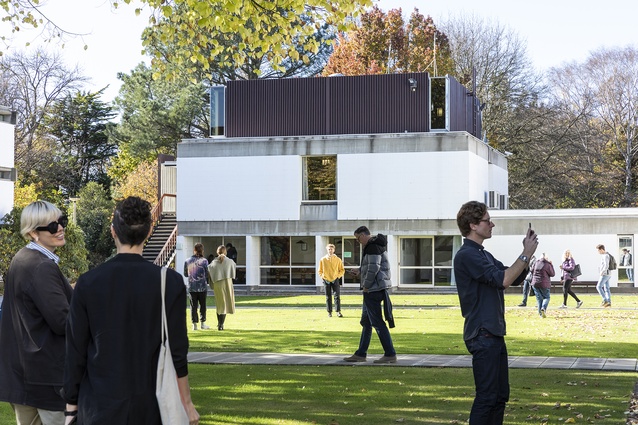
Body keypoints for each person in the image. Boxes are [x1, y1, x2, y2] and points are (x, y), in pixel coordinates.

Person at [62, 196, 199, 425]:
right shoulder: (170, 282)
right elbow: (178, 350)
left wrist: (70, 409)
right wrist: (187, 403)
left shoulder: (88, 283)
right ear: (148, 233)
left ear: (113, 231)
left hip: (98, 406)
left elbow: (75, 353)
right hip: (150, 406)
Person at [453, 201, 537, 425]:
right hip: (483, 333)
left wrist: (527, 258)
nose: (492, 224)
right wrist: (525, 254)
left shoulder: (483, 254)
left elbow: (513, 276)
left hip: (493, 333)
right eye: (487, 221)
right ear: (472, 225)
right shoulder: (467, 255)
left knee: (500, 397)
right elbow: (503, 280)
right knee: (487, 397)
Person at [0, 201, 73, 425]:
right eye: (51, 226)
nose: (60, 228)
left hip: (24, 375)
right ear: (33, 232)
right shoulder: (41, 266)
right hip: (46, 377)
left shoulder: (21, 259)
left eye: (62, 221)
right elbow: (63, 321)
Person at [343, 226, 397, 364]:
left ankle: (390, 353)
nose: (357, 241)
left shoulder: (372, 246)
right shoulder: (374, 245)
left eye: (357, 238)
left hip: (373, 290)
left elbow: (374, 268)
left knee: (377, 323)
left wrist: (366, 286)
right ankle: (361, 354)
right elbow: (372, 266)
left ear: (363, 235)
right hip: (376, 288)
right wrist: (360, 270)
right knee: (366, 322)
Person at [208, 245, 236, 330]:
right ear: (225, 252)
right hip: (227, 283)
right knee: (225, 304)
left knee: (220, 304)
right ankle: (221, 324)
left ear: (217, 252)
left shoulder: (213, 262)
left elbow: (209, 269)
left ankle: (219, 324)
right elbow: (233, 267)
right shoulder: (230, 261)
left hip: (218, 284)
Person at [184, 243, 211, 330]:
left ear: (194, 250)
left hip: (192, 287)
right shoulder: (205, 261)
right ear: (202, 250)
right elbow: (207, 274)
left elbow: (185, 274)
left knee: (193, 306)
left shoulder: (187, 261)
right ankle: (203, 323)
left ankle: (194, 324)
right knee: (203, 305)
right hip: (202, 286)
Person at [318, 243, 345, 317]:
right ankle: (329, 312)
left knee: (337, 296)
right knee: (328, 296)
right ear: (327, 250)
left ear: (334, 250)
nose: (330, 250)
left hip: (335, 279)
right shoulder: (323, 259)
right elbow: (320, 270)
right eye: (329, 249)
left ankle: (338, 311)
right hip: (326, 280)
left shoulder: (338, 259)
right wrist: (323, 276)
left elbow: (342, 270)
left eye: (331, 249)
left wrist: (338, 277)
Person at [531, 253, 555, 318]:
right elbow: (552, 274)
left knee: (539, 299)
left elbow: (532, 270)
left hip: (535, 283)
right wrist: (551, 265)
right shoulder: (547, 264)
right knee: (547, 297)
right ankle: (543, 308)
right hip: (544, 283)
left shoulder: (536, 262)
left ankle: (541, 314)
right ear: (546, 258)